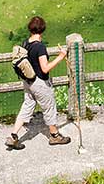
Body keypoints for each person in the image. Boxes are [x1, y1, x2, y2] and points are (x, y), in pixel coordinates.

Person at [6, 15, 72, 150]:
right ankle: (54, 136)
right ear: (43, 29)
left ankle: (13, 135)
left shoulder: (25, 43)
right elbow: (45, 68)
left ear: (30, 29)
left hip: (28, 82)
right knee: (49, 107)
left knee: (27, 106)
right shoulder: (40, 47)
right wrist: (61, 56)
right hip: (40, 82)